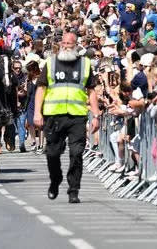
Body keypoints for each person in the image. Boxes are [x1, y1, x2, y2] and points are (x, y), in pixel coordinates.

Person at [33, 32, 100, 204]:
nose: (66, 46)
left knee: (77, 153)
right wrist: (37, 113)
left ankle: (73, 190)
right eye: (64, 43)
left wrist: (96, 115)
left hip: (77, 115)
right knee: (52, 153)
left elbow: (91, 91)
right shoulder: (51, 63)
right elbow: (41, 88)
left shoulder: (85, 64)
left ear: (76, 45)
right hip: (54, 115)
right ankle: (55, 180)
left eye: (70, 43)